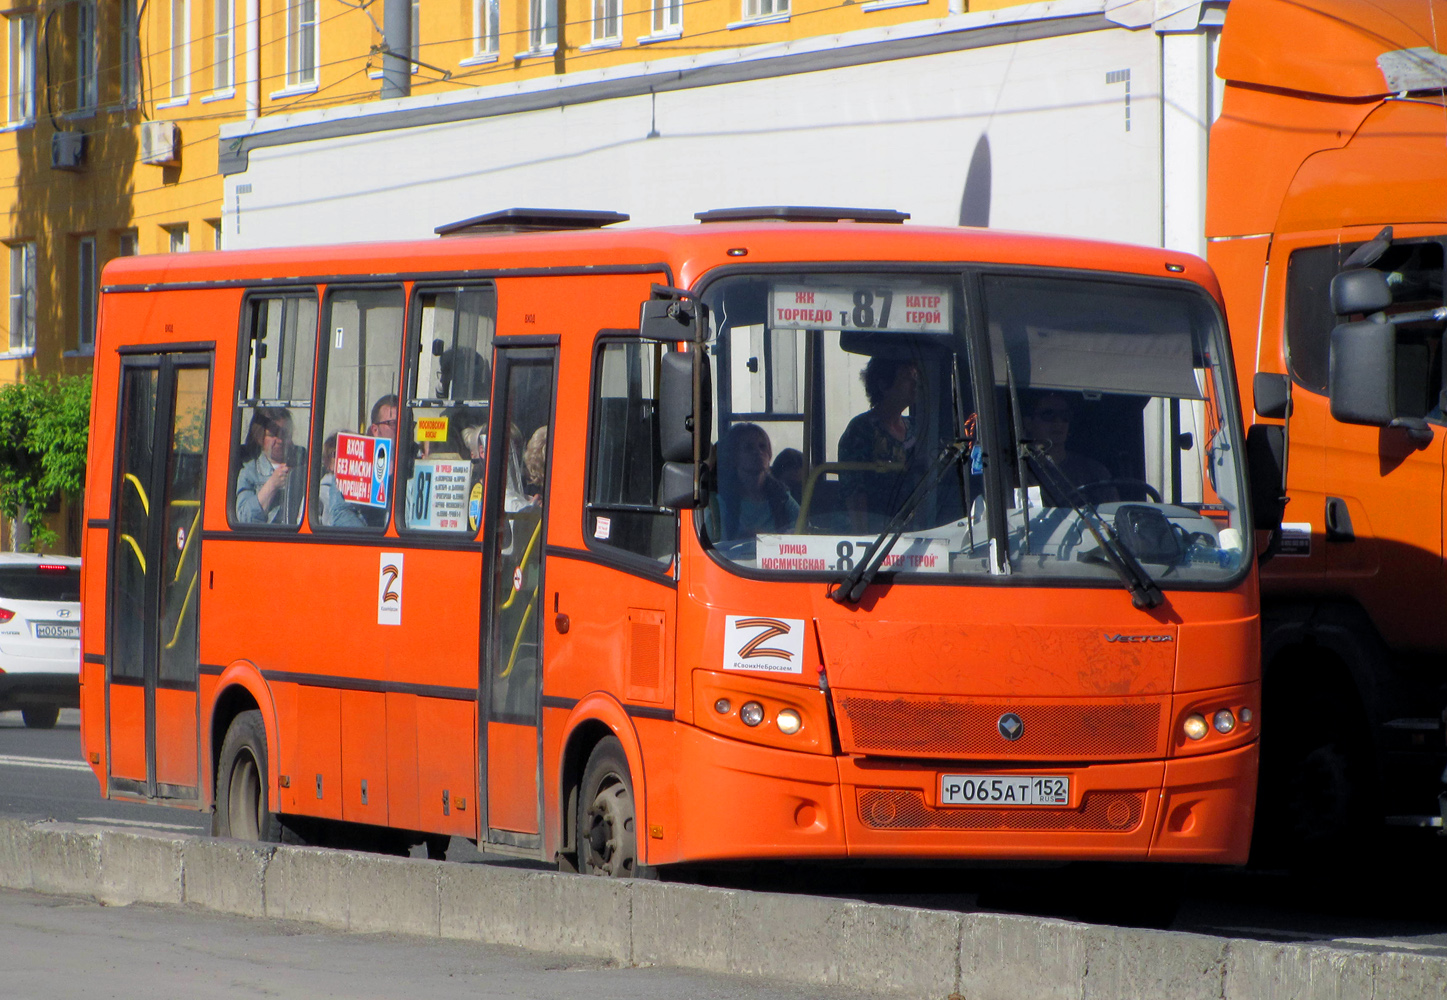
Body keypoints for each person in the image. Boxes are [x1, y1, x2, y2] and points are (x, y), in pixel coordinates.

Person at [837, 357, 923, 531]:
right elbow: (855, 491)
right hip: (879, 530)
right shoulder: (861, 430)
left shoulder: (917, 427)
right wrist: (864, 538)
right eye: (907, 377)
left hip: (920, 526)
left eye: (916, 376)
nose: (915, 383)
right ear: (883, 385)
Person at [706, 423, 799, 542]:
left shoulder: (781, 496)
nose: (758, 452)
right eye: (749, 448)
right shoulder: (718, 501)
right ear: (733, 456)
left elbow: (804, 530)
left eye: (762, 446)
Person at [1020, 390, 1114, 505]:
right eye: (1048, 415)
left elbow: (1112, 516)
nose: (1059, 423)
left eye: (1065, 416)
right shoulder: (1019, 472)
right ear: (1028, 422)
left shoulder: (1094, 472)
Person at [321, 394, 399, 528]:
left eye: (408, 423)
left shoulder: (417, 461)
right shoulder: (358, 461)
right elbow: (341, 513)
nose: (401, 429)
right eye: (393, 424)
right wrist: (374, 542)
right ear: (375, 430)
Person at [234, 408, 306, 525]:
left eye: (284, 434)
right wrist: (272, 485)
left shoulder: (304, 466)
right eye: (273, 434)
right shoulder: (249, 472)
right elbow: (244, 517)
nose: (280, 440)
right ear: (260, 438)